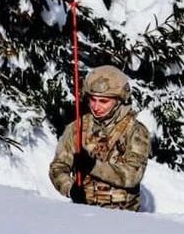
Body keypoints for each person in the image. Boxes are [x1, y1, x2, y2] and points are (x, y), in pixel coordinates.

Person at [49, 66, 151, 210]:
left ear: (119, 100)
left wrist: (93, 166)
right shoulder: (77, 128)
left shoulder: (136, 131)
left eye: (104, 101)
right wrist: (69, 188)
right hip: (83, 210)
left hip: (123, 215)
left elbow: (132, 176)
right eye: (93, 100)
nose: (96, 107)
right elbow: (58, 167)